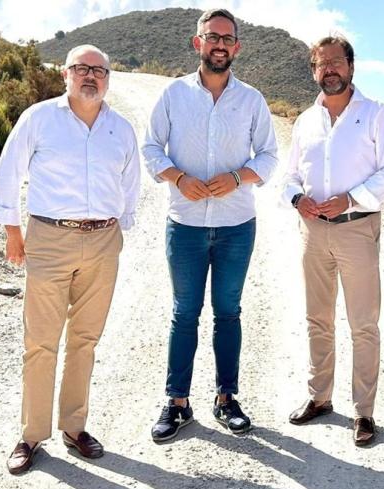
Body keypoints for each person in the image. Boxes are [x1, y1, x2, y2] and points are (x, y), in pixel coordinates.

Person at [0, 44, 141, 474]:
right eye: (81, 68)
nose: (90, 76)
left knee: (85, 339)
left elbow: (131, 183)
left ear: (108, 78)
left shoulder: (121, 129)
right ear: (65, 74)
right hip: (49, 238)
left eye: (99, 70)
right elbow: (8, 172)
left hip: (103, 241)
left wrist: (119, 230)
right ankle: (31, 434)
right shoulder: (39, 118)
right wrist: (13, 231)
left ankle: (75, 427)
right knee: (40, 341)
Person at [142, 8, 278, 442]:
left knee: (228, 312)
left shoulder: (252, 100)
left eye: (227, 38)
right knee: (184, 313)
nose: (219, 44)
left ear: (236, 47)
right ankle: (177, 402)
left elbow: (269, 155)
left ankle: (226, 398)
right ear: (197, 42)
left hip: (237, 224)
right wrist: (178, 178)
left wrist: (238, 177)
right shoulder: (173, 95)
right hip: (184, 225)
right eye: (212, 36)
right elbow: (150, 147)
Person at [282, 35, 384, 446]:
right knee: (317, 318)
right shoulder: (305, 121)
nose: (329, 69)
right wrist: (297, 199)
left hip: (357, 227)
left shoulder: (375, 114)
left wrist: (349, 199)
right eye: (321, 63)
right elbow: (290, 175)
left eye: (336, 61)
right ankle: (319, 397)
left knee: (363, 324)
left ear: (351, 66)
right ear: (313, 71)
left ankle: (363, 412)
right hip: (312, 230)